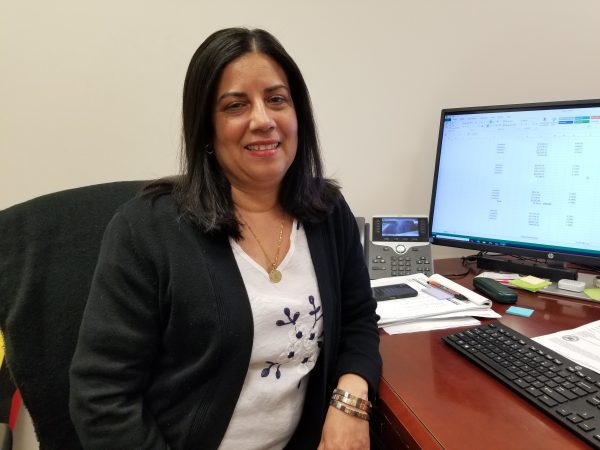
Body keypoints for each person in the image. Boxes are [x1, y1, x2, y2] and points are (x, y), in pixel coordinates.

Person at [69, 27, 382, 450]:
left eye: (277, 99)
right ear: (207, 129)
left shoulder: (327, 212)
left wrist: (351, 399)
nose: (263, 120)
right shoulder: (147, 230)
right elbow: (101, 397)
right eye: (236, 105)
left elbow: (359, 319)